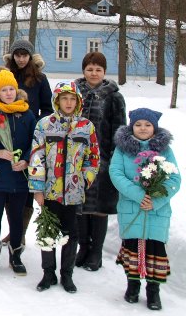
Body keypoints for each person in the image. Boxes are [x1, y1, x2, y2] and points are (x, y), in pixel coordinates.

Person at [29, 81, 99, 293]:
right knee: (48, 232)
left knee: (71, 234)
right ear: (56, 101)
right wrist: (38, 189)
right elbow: (36, 157)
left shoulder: (86, 127)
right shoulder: (45, 125)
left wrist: (84, 179)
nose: (68, 103)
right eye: (64, 99)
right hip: (50, 191)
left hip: (73, 192)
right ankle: (48, 273)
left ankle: (66, 274)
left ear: (78, 102)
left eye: (72, 99)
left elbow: (93, 158)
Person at [110, 108, 180, 310]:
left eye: (147, 125)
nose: (143, 128)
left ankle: (153, 292)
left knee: (155, 251)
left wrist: (155, 200)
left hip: (157, 211)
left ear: (154, 128)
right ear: (132, 126)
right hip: (132, 207)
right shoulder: (122, 149)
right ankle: (132, 287)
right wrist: (140, 195)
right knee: (132, 248)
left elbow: (174, 178)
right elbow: (116, 173)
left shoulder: (164, 150)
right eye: (138, 124)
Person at [0, 69, 36, 275]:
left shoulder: (27, 114)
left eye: (12, 89)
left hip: (20, 175)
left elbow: (35, 142)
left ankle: (16, 254)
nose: (9, 93)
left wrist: (27, 159)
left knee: (17, 216)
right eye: (4, 90)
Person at [74, 51, 126, 272]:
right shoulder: (74, 92)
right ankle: (83, 247)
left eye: (98, 69)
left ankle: (96, 252)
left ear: (104, 72)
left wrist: (114, 157)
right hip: (76, 159)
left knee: (99, 208)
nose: (93, 73)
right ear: (83, 70)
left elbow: (120, 129)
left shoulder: (113, 96)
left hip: (104, 160)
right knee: (80, 206)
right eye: (89, 69)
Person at [1, 39, 54, 246]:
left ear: (30, 57)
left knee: (25, 187)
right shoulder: (5, 76)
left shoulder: (40, 79)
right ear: (12, 56)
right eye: (17, 55)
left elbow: (48, 109)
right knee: (7, 186)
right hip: (6, 135)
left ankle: (20, 232)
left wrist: (34, 123)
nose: (21, 59)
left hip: (31, 138)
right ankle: (12, 230)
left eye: (24, 55)